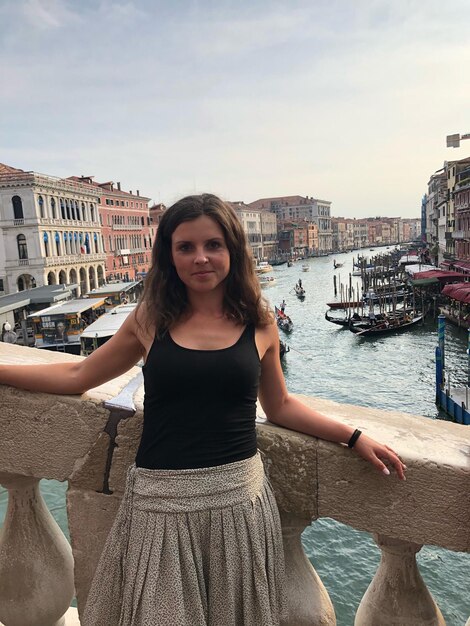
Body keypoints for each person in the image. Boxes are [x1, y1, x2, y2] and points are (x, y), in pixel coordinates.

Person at [0, 194, 405, 625]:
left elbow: (281, 406)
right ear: (169, 256)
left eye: (213, 245)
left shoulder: (260, 321)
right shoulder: (150, 317)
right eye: (185, 247)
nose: (201, 258)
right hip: (160, 505)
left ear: (232, 249)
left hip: (239, 504)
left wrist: (355, 437)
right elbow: (78, 376)